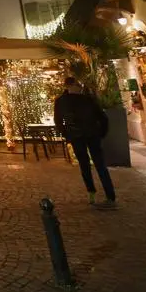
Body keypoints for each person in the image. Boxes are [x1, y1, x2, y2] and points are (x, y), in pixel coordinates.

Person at [54, 77, 116, 207]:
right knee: (92, 165)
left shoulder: (67, 101)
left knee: (92, 165)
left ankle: (101, 194)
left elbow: (102, 117)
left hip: (84, 136)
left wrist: (68, 135)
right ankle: (99, 194)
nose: (80, 87)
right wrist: (100, 133)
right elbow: (58, 121)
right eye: (78, 84)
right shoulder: (80, 100)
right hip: (85, 135)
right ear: (71, 86)